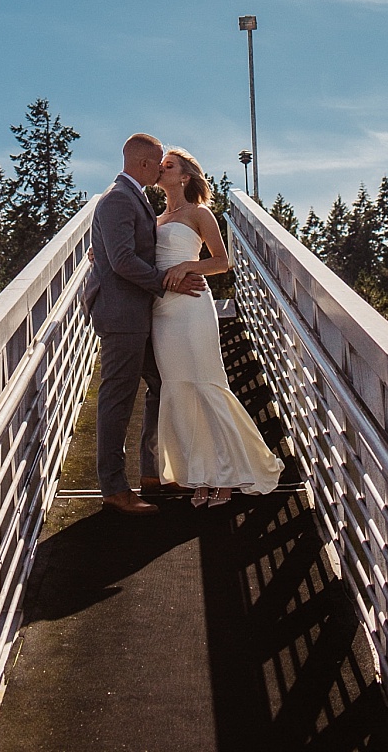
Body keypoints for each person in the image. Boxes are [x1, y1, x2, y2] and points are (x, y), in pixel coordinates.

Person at [151, 147, 282, 506]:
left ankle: (227, 478)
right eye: (160, 166)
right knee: (178, 390)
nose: (161, 170)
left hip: (192, 307)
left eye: (169, 165)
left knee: (207, 384)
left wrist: (187, 267)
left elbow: (223, 262)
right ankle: (200, 477)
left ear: (185, 176)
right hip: (162, 311)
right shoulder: (155, 219)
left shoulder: (199, 212)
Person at [84, 133, 206, 514]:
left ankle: (152, 471)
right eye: (158, 164)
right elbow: (121, 260)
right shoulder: (119, 197)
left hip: (138, 312)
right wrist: (167, 282)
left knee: (159, 382)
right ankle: (115, 490)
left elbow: (123, 249)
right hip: (122, 315)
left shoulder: (130, 197)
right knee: (117, 400)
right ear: (142, 165)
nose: (161, 169)